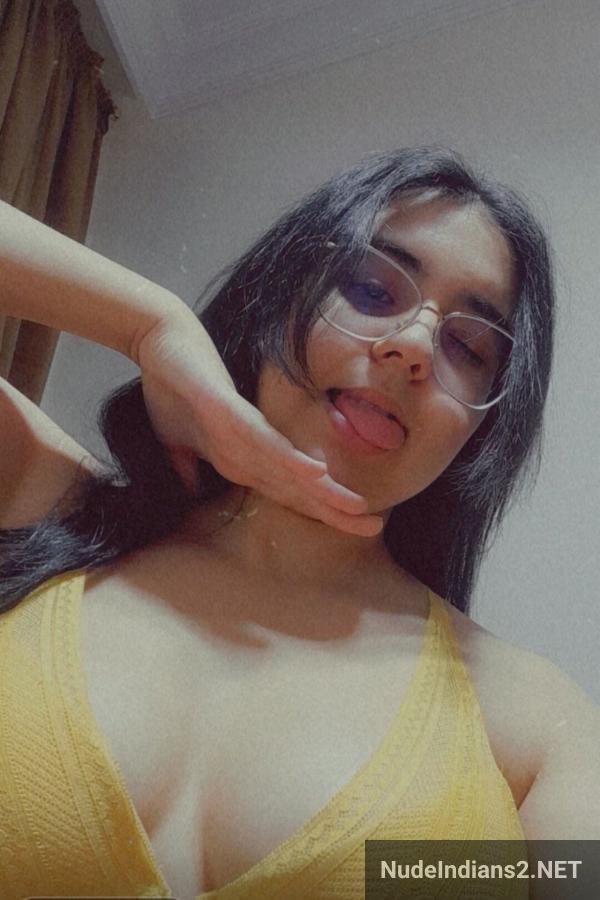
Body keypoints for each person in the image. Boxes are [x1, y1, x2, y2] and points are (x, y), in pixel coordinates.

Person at [0, 147, 598, 900]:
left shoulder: (537, 724)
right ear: (279, 293)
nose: (414, 345)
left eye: (467, 347)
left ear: (479, 431)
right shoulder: (37, 496)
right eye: (370, 287)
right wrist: (149, 325)